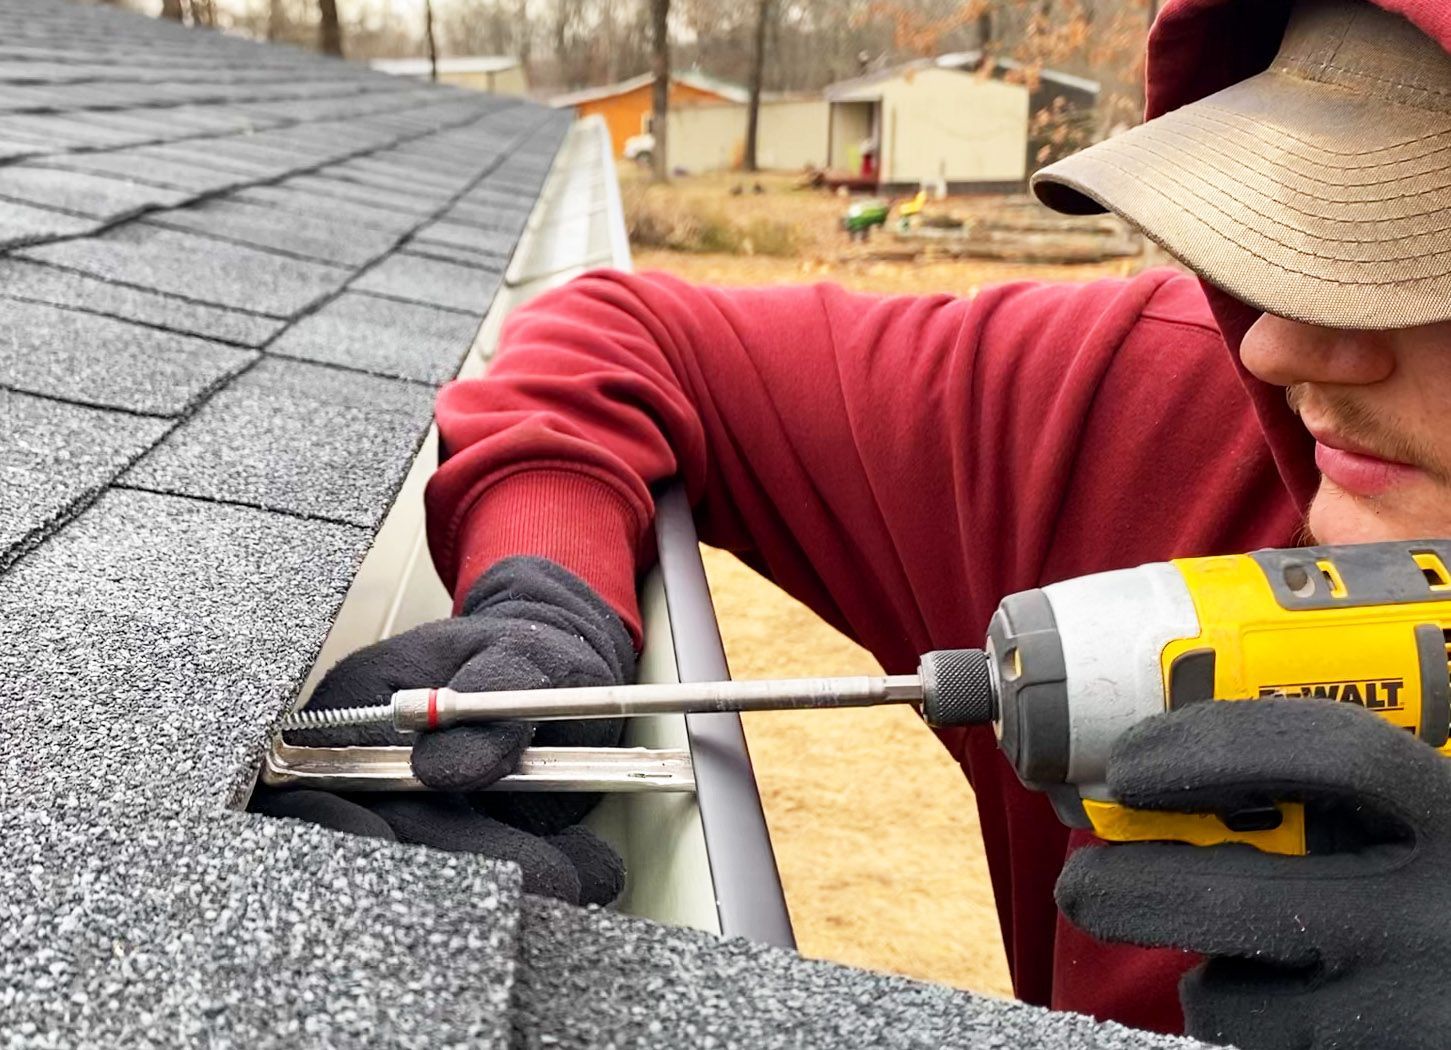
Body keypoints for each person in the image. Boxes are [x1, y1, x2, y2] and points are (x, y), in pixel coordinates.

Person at [273, 1, 1451, 1047]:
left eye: (1421, 267)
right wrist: (548, 595)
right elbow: (624, 335)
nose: (1281, 344)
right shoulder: (1145, 413)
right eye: (1300, 230)